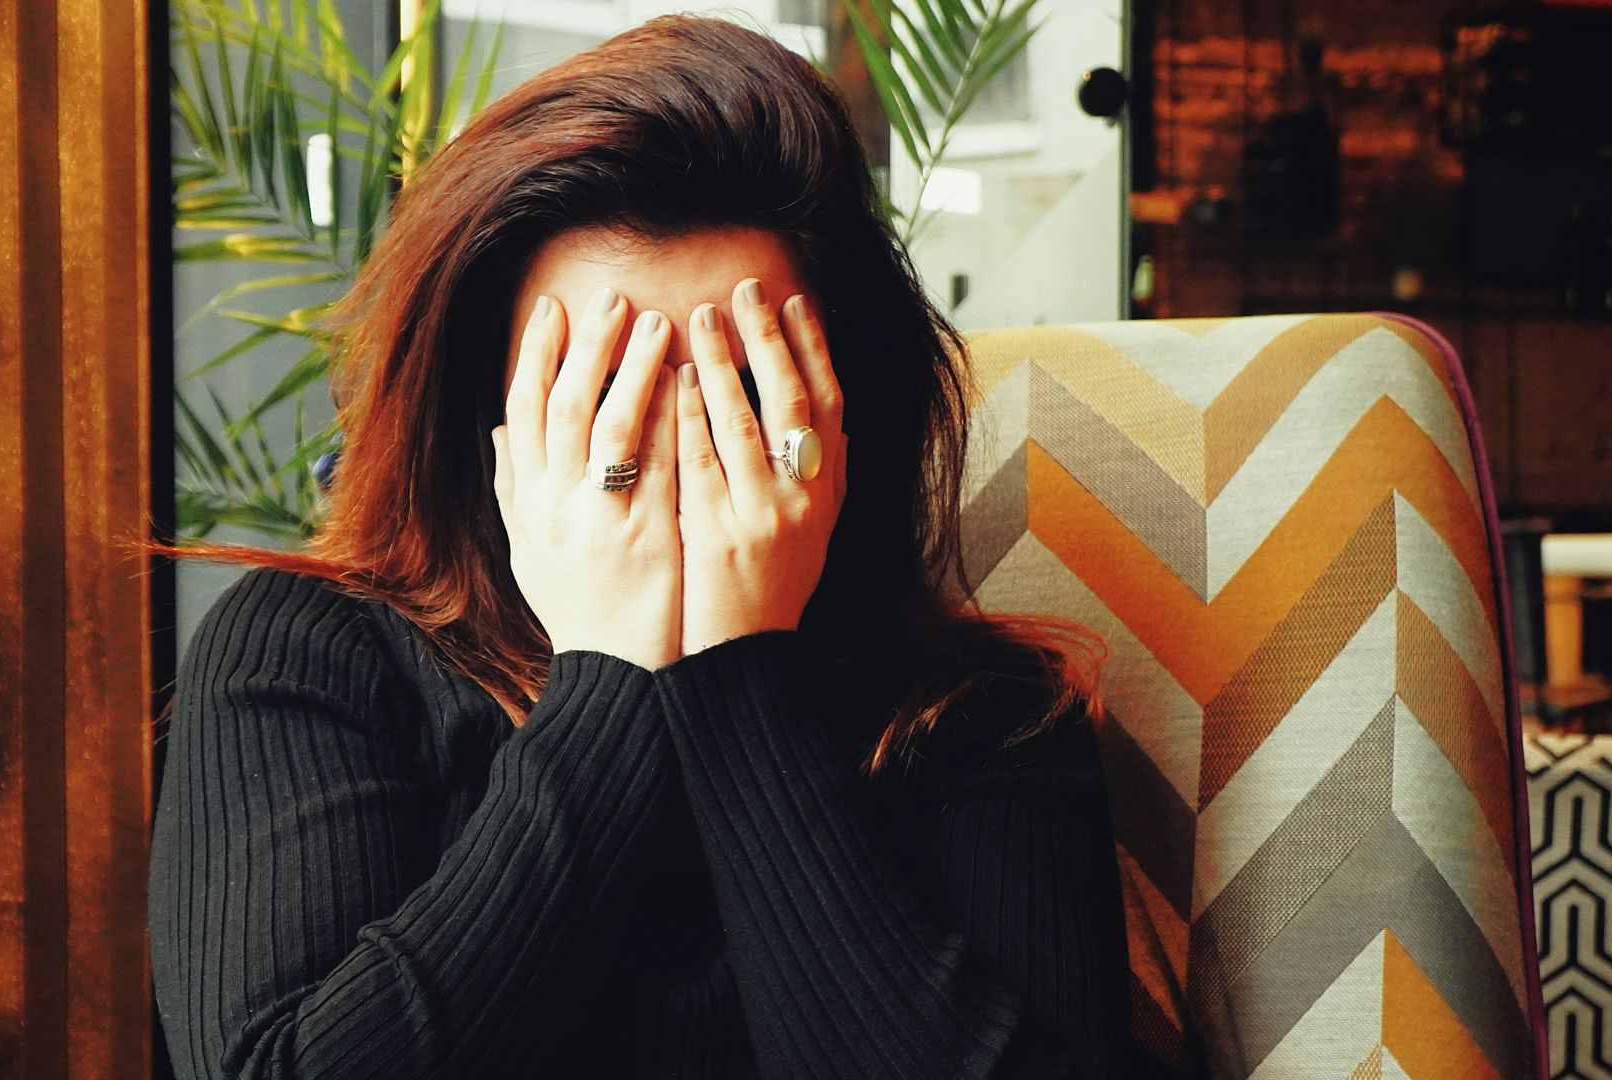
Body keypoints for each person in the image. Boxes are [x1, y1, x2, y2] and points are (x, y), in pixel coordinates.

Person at [144, 13, 1156, 1078]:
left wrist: (738, 670)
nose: (674, 444)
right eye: (602, 389)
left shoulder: (982, 718)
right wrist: (609, 667)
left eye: (736, 388)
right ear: (489, 409)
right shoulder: (306, 655)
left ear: (839, 408)